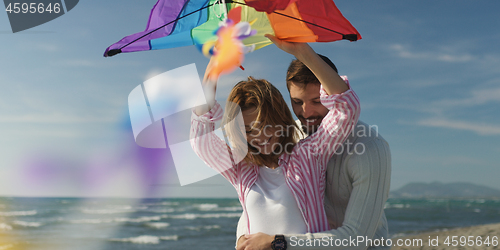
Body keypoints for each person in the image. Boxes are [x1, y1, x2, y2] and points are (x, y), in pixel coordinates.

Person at [191, 36, 360, 248]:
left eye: (266, 124)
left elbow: (346, 109)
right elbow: (201, 141)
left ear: (279, 117)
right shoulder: (241, 169)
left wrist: (304, 53)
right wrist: (213, 70)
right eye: (249, 130)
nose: (260, 136)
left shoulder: (307, 156)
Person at [235, 36, 392, 250]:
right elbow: (258, 196)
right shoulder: (290, 136)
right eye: (297, 102)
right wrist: (244, 237)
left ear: (330, 94)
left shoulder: (370, 147)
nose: (306, 113)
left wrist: (278, 243)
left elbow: (357, 239)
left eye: (317, 101)